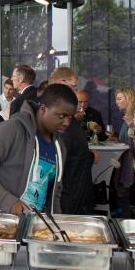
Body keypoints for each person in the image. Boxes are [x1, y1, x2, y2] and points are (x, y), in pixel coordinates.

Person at [0, 84, 77, 214]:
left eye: (70, 117)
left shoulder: (60, 147)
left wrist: (55, 221)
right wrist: (7, 201)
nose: (67, 123)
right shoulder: (11, 129)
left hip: (33, 223)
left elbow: (55, 191)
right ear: (43, 109)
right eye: (61, 116)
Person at [47, 67, 94, 215]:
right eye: (74, 87)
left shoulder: (65, 116)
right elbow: (59, 164)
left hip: (73, 194)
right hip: (66, 198)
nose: (75, 92)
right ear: (61, 82)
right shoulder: (59, 119)